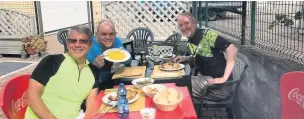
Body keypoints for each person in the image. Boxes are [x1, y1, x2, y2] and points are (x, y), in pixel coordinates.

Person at [25, 25, 99, 119]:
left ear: (91, 44)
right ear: (67, 43)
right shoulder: (51, 62)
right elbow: (32, 98)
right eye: (73, 41)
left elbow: (90, 108)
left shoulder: (93, 72)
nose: (77, 44)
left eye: (83, 41)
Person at [173, 12, 238, 101]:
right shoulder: (191, 39)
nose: (184, 27)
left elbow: (232, 49)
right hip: (206, 80)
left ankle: (186, 112)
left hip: (219, 88)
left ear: (194, 23)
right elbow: (201, 55)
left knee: (178, 84)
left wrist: (224, 78)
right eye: (181, 25)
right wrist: (185, 58)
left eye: (187, 23)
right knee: (178, 80)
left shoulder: (207, 35)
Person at [87, 20, 132, 90]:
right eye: (104, 34)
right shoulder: (91, 48)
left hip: (114, 81)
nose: (108, 37)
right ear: (97, 34)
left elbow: (129, 60)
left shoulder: (116, 41)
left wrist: (122, 55)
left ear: (115, 34)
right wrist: (94, 66)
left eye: (111, 34)